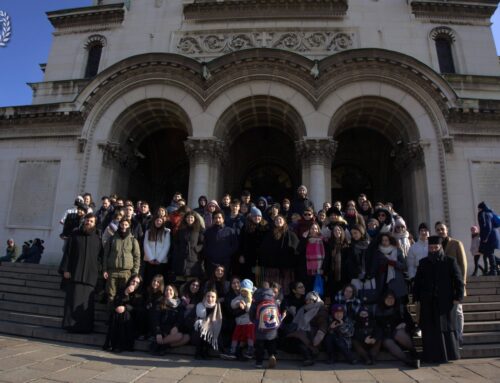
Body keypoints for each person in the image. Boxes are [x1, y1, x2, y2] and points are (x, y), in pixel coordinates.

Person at [413, 235, 464, 363]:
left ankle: (448, 355)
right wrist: (416, 296)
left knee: (445, 327)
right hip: (428, 301)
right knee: (429, 328)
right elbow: (418, 281)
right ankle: (431, 356)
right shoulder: (423, 262)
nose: (433, 250)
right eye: (431, 247)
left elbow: (458, 281)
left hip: (445, 301)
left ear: (440, 247)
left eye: (436, 247)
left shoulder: (450, 261)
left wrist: (458, 296)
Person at [61, 213, 102, 333]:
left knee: (86, 304)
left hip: (90, 277)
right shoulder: (75, 235)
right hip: (75, 274)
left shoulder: (97, 239)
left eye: (91, 221)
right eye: (87, 220)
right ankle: (70, 326)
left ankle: (85, 328)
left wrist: (99, 269)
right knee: (72, 301)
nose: (88, 223)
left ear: (95, 224)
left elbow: (100, 257)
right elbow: (67, 253)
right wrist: (66, 269)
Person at [435, 221, 467, 345]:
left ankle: (459, 336)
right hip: (443, 286)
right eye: (438, 229)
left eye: (442, 229)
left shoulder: (456, 243)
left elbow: (463, 264)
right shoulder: (436, 245)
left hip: (456, 283)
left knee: (458, 311)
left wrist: (462, 283)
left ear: (446, 230)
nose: (440, 231)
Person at [375, 290, 420, 368]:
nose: (390, 300)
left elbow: (409, 320)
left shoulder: (399, 308)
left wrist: (404, 323)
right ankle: (408, 361)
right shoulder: (378, 310)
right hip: (386, 335)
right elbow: (377, 326)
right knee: (388, 342)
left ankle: (417, 354)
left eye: (392, 298)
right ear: (384, 299)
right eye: (388, 298)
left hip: (397, 332)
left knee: (398, 334)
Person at [283, 291, 328, 366]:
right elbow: (297, 321)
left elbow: (323, 324)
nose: (308, 301)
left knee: (299, 338)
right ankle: (309, 356)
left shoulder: (321, 309)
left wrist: (320, 335)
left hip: (313, 333)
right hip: (302, 330)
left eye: (311, 300)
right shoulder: (303, 309)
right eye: (307, 300)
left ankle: (308, 357)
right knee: (293, 340)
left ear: (315, 300)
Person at [103, 218, 141, 303]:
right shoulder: (112, 239)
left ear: (129, 226)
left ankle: (121, 314)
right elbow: (105, 255)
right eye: (122, 224)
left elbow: (137, 257)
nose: (124, 227)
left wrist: (135, 272)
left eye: (126, 225)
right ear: (119, 225)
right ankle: (111, 314)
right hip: (112, 271)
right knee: (111, 295)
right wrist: (105, 269)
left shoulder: (133, 240)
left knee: (124, 295)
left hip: (126, 273)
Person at [103, 274, 144, 352]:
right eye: (133, 281)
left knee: (125, 314)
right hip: (119, 315)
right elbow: (116, 303)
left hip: (133, 319)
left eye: (137, 283)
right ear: (130, 281)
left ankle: (119, 345)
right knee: (117, 312)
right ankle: (112, 343)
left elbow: (138, 310)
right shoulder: (122, 290)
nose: (134, 283)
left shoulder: (140, 294)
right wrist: (126, 293)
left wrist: (125, 308)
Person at [258, 215, 299, 291]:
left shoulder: (291, 234)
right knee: (271, 289)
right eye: (276, 220)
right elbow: (263, 249)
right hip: (272, 267)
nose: (278, 221)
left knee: (286, 289)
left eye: (280, 219)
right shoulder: (269, 234)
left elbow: (295, 250)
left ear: (284, 221)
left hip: (286, 268)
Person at [249, 287, 284, 369]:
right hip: (272, 327)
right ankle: (271, 355)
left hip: (260, 327)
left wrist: (254, 321)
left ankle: (259, 362)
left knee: (259, 345)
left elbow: (251, 313)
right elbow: (278, 313)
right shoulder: (273, 298)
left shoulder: (256, 299)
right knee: (271, 343)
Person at [221, 279, 255, 360]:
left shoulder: (251, 299)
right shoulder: (238, 297)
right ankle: (233, 350)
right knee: (236, 336)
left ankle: (250, 349)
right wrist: (238, 303)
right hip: (239, 322)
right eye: (243, 291)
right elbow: (232, 304)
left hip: (249, 322)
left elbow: (249, 310)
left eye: (246, 291)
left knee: (250, 336)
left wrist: (246, 305)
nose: (244, 293)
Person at [150, 284, 190, 355]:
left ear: (174, 292)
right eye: (166, 290)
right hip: (162, 330)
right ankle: (159, 345)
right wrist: (158, 332)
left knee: (186, 337)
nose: (168, 292)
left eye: (170, 290)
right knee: (179, 336)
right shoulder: (160, 302)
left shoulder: (179, 304)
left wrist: (176, 327)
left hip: (173, 330)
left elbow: (180, 318)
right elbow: (155, 319)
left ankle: (163, 346)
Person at [171, 211, 205, 282]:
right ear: (185, 219)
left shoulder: (199, 230)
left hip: (194, 257)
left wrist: (196, 249)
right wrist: (179, 249)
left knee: (192, 279)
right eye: (188, 217)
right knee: (181, 278)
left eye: (191, 217)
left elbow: (203, 243)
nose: (190, 219)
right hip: (182, 257)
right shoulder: (181, 230)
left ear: (195, 219)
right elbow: (176, 242)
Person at [203, 211, 239, 277]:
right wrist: (210, 255)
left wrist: (227, 253)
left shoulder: (230, 231)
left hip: (226, 262)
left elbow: (235, 245)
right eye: (215, 218)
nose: (217, 220)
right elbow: (205, 246)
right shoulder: (208, 232)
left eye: (219, 218)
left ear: (223, 219)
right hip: (212, 262)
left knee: (224, 282)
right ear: (213, 219)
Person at [239, 207, 269, 281]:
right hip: (249, 256)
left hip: (261, 258)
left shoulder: (265, 226)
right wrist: (241, 255)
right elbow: (241, 242)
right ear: (251, 216)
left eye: (259, 216)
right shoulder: (245, 227)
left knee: (259, 278)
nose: (257, 218)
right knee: (249, 276)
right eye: (255, 216)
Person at [194, 289, 223, 359]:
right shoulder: (199, 305)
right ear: (205, 297)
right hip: (196, 331)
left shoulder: (217, 307)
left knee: (209, 328)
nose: (210, 298)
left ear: (216, 298)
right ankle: (198, 352)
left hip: (212, 329)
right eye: (208, 296)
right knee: (201, 326)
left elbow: (219, 320)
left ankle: (205, 352)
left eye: (213, 297)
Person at [143, 216, 171, 287]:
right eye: (157, 221)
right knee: (149, 280)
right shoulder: (148, 231)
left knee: (159, 281)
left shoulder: (166, 232)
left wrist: (159, 259)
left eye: (160, 221)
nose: (158, 222)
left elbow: (166, 246)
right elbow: (146, 244)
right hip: (150, 261)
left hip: (161, 261)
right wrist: (150, 258)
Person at [477, 202, 500, 275]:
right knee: (487, 252)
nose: (478, 210)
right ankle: (495, 268)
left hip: (489, 237)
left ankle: (493, 270)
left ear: (481, 208)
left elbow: (488, 227)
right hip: (494, 236)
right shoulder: (490, 213)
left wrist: (485, 238)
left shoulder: (484, 214)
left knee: (489, 253)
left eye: (479, 208)